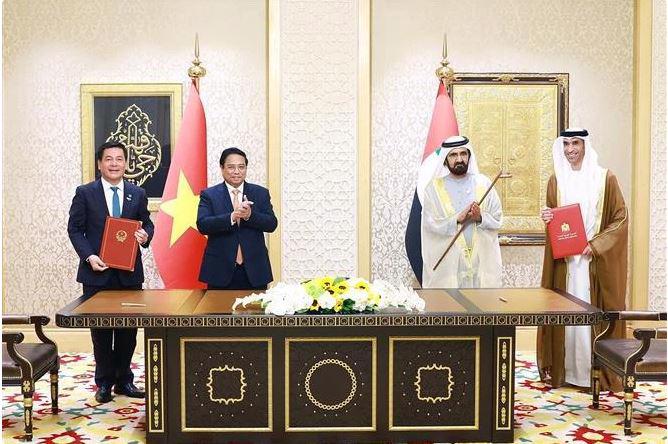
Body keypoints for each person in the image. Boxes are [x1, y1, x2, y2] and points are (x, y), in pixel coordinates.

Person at [537, 128, 628, 391]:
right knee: (566, 316)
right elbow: (556, 222)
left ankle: (595, 373)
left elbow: (621, 219)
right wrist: (548, 218)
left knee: (589, 315)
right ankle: (567, 372)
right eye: (565, 144)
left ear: (585, 145)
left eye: (575, 143)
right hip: (565, 265)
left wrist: (596, 245)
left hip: (593, 263)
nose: (570, 150)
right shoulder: (556, 181)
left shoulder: (605, 178)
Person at [67, 141, 153, 404]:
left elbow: (146, 222)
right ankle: (104, 382)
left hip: (129, 273)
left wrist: (145, 235)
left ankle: (124, 380)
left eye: (119, 159)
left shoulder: (137, 193)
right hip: (97, 273)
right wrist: (89, 256)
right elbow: (74, 229)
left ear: (126, 164)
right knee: (102, 331)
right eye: (109, 159)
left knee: (128, 331)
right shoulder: (85, 192)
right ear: (99, 164)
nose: (114, 164)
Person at [420, 135, 503, 288]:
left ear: (469, 156)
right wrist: (457, 219)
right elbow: (430, 226)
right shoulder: (433, 189)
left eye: (463, 154)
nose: (459, 159)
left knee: (482, 309)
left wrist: (480, 217)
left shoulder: (483, 183)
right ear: (445, 159)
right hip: (449, 269)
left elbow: (498, 219)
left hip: (481, 266)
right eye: (453, 155)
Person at [197, 147, 278, 290]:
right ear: (222, 168)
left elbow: (271, 224)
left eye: (241, 167)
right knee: (218, 312)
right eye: (231, 167)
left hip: (254, 270)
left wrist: (250, 215)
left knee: (255, 312)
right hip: (220, 270)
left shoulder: (260, 193)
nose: (236, 171)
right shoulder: (209, 195)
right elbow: (203, 224)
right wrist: (232, 217)